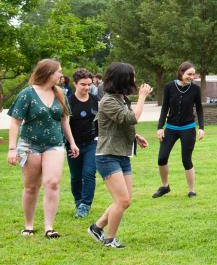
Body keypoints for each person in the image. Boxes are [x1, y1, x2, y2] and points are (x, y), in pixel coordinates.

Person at [6, 59, 79, 239]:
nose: (61, 75)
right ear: (48, 73)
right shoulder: (27, 94)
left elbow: (64, 120)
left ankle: (49, 227)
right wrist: (12, 148)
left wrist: (72, 142)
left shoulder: (60, 93)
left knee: (52, 183)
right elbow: (15, 122)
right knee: (31, 187)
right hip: (30, 145)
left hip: (54, 144)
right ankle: (29, 225)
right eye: (58, 72)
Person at [88, 63, 152, 249]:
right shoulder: (108, 101)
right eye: (132, 76)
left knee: (124, 201)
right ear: (123, 79)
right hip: (107, 156)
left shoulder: (120, 99)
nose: (134, 80)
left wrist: (135, 136)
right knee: (122, 201)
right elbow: (131, 118)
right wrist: (142, 97)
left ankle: (96, 227)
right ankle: (110, 239)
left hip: (122, 154)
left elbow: (122, 123)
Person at [153, 62, 205, 199]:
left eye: (193, 74)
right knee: (162, 158)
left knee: (186, 160)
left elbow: (199, 109)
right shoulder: (169, 87)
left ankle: (191, 190)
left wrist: (201, 128)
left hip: (188, 128)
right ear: (181, 73)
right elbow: (165, 108)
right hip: (170, 128)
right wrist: (160, 127)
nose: (192, 77)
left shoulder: (195, 89)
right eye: (189, 74)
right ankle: (165, 186)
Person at [67, 68, 99, 218]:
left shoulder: (95, 100)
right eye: (83, 84)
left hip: (92, 143)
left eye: (89, 84)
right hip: (73, 145)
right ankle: (78, 201)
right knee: (75, 176)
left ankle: (85, 205)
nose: (87, 87)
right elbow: (63, 125)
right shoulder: (68, 102)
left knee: (89, 173)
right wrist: (70, 143)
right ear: (75, 84)